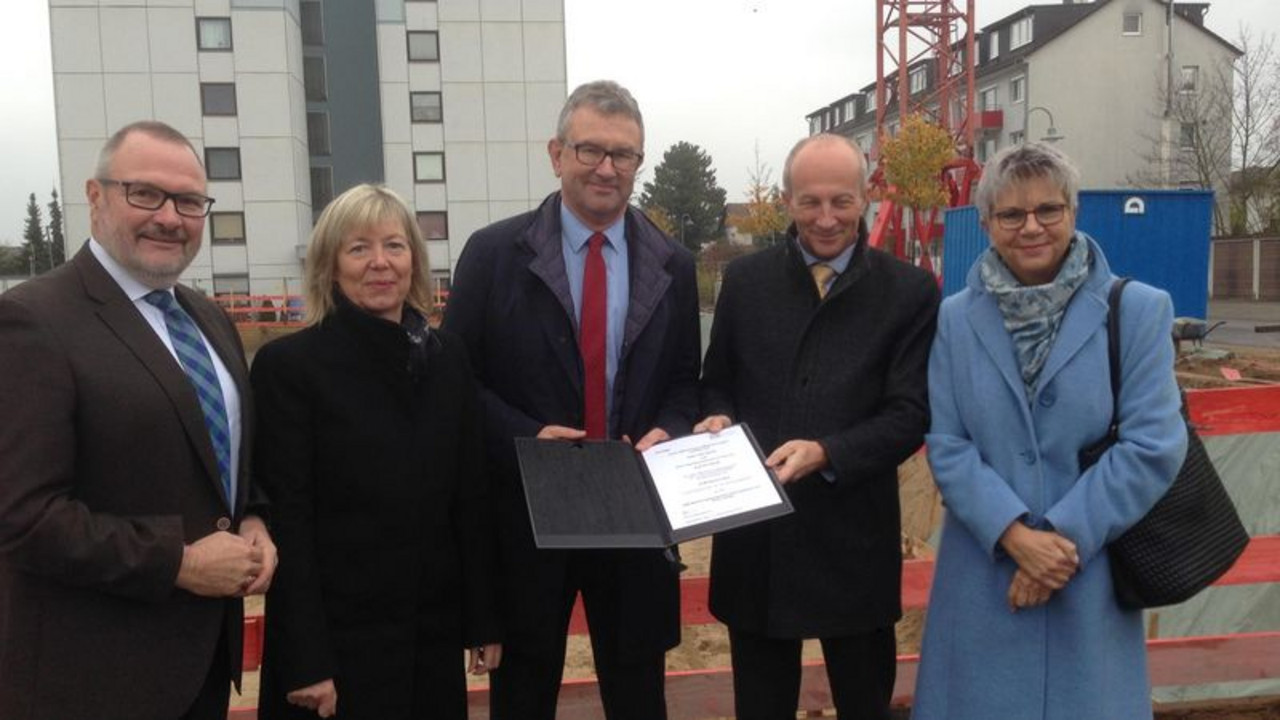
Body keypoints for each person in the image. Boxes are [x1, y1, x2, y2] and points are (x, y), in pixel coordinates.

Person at [442, 80, 701, 720]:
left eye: (624, 155)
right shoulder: (493, 254)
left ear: (639, 162)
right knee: (524, 691)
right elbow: (454, 384)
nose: (606, 168)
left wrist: (669, 429)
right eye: (590, 150)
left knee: (639, 690)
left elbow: (683, 383)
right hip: (527, 512)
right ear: (556, 153)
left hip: (633, 511)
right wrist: (522, 439)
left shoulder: (673, 263)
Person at [0, 120, 276, 720]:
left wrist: (252, 514)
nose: (170, 217)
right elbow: (23, 517)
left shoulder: (208, 319)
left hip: (199, 668)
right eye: (144, 194)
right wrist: (177, 561)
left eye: (188, 201)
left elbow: (218, 457)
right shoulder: (31, 322)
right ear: (96, 197)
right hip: (92, 681)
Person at [911, 143, 1188, 720]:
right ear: (986, 223)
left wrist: (1058, 544)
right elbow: (948, 443)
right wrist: (1015, 536)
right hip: (985, 576)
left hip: (1089, 577)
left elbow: (1152, 444)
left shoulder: (1137, 312)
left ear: (1073, 212)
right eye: (1012, 215)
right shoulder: (956, 319)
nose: (1031, 227)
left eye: (1048, 210)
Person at [695, 133, 940, 720]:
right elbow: (717, 379)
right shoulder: (746, 282)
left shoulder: (908, 292)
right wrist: (717, 415)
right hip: (758, 537)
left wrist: (829, 453)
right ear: (786, 201)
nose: (826, 219)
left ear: (866, 199)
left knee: (863, 704)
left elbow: (911, 413)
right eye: (810, 202)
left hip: (853, 537)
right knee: (760, 705)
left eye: (841, 201)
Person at [251, 184, 501, 720]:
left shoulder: (446, 359)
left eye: (395, 245)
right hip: (337, 652)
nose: (380, 263)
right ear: (330, 266)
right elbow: (289, 521)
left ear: (415, 259)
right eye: (359, 248)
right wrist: (305, 659)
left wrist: (484, 620)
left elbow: (470, 497)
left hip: (429, 640)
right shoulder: (289, 369)